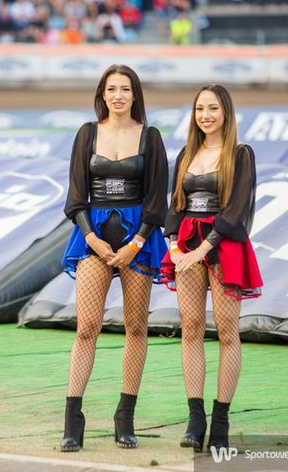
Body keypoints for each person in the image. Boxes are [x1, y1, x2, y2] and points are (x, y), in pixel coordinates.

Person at [60, 64, 169, 452]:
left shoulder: (150, 136)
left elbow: (157, 200)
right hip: (93, 237)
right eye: (111, 89)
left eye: (125, 89)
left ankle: (125, 418)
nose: (118, 95)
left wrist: (135, 244)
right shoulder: (87, 133)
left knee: (136, 328)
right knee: (86, 327)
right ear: (102, 95)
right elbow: (76, 197)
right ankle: (73, 420)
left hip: (138, 240)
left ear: (135, 94)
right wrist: (92, 238)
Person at [160, 84, 262, 453]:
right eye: (200, 109)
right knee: (190, 329)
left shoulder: (241, 153)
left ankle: (220, 422)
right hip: (186, 243)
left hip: (224, 245)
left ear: (226, 113)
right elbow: (176, 205)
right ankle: (195, 419)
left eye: (213, 109)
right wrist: (175, 247)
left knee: (227, 331)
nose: (205, 115)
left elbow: (236, 209)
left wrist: (203, 249)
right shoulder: (187, 152)